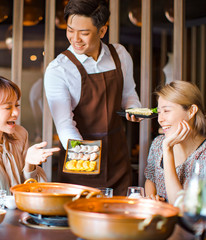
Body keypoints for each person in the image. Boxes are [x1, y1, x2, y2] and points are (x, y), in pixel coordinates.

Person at [44, 0, 141, 195]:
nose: (75, 39)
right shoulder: (59, 69)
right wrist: (85, 158)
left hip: (117, 158)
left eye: (84, 33)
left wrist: (134, 109)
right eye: (70, 30)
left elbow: (129, 94)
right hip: (80, 161)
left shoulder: (120, 55)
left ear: (102, 31)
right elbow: (64, 125)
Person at [0, 75, 60, 200]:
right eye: (8, 107)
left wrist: (29, 164)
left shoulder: (20, 135)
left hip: (26, 214)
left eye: (16, 105)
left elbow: (36, 191)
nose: (16, 113)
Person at [144, 80, 206, 204]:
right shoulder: (157, 143)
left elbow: (181, 204)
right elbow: (151, 179)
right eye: (159, 112)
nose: (160, 119)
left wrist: (167, 150)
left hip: (191, 221)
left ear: (191, 111)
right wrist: (151, 198)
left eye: (166, 111)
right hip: (160, 220)